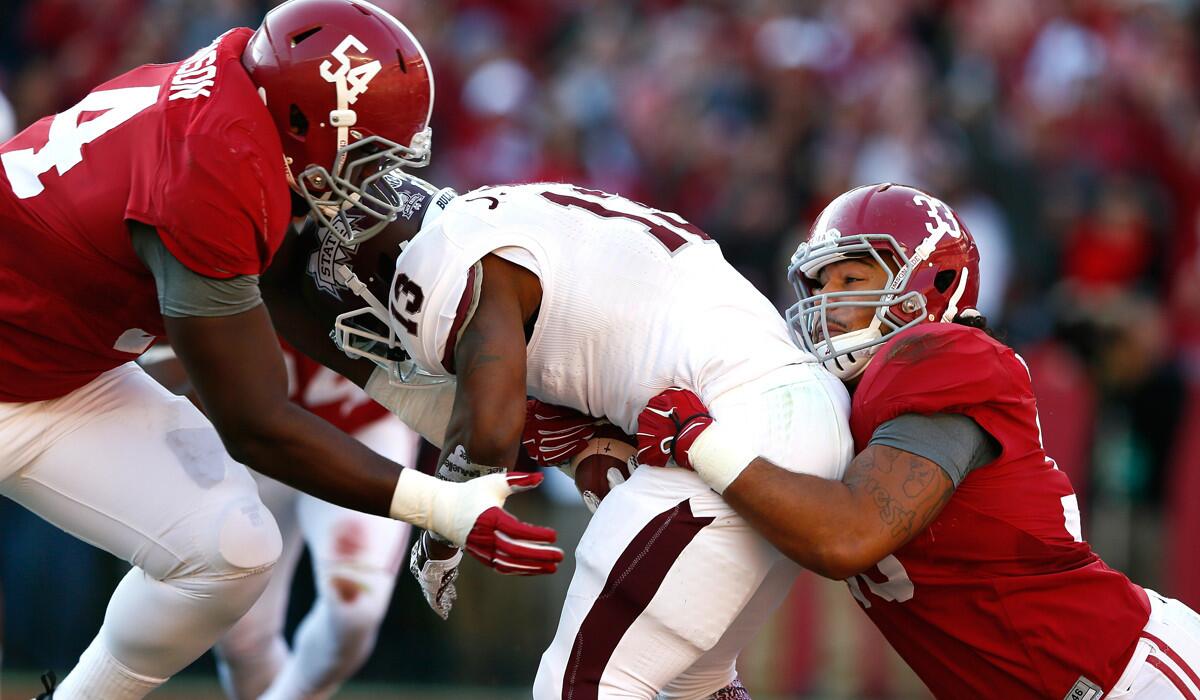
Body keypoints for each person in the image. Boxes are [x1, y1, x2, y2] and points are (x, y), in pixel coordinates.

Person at [0, 1, 558, 697]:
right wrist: (438, 505)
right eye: (369, 155)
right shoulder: (217, 166)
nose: (375, 183)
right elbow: (256, 424)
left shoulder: (245, 88)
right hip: (20, 368)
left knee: (233, 549)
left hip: (61, 364)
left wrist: (433, 406)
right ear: (304, 122)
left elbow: (284, 284)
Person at [276, 172, 854, 699]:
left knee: (577, 687)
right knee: (697, 687)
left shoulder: (441, 257)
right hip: (802, 426)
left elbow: (490, 426)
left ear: (392, 270)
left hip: (732, 433)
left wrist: (443, 523)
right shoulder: (509, 213)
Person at [634, 183, 1200, 699]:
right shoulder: (840, 402)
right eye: (820, 282)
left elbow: (846, 536)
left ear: (935, 283)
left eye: (851, 280)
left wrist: (698, 441)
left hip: (1127, 675)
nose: (826, 302)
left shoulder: (944, 356)